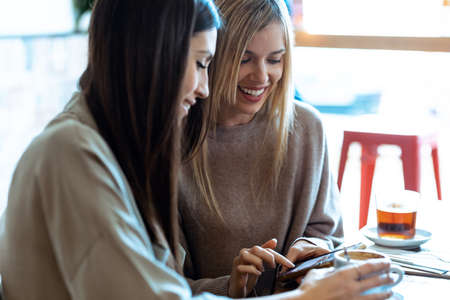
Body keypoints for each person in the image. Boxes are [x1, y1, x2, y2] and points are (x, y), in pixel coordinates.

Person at [0, 0, 394, 300]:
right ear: (157, 58)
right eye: (204, 63)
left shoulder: (113, 145)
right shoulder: (73, 155)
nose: (205, 89)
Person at [179, 0, 347, 297]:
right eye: (244, 59)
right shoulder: (172, 142)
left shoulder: (307, 128)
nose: (261, 76)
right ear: (211, 57)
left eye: (274, 60)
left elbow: (329, 236)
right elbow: (162, 284)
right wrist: (230, 287)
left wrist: (314, 250)